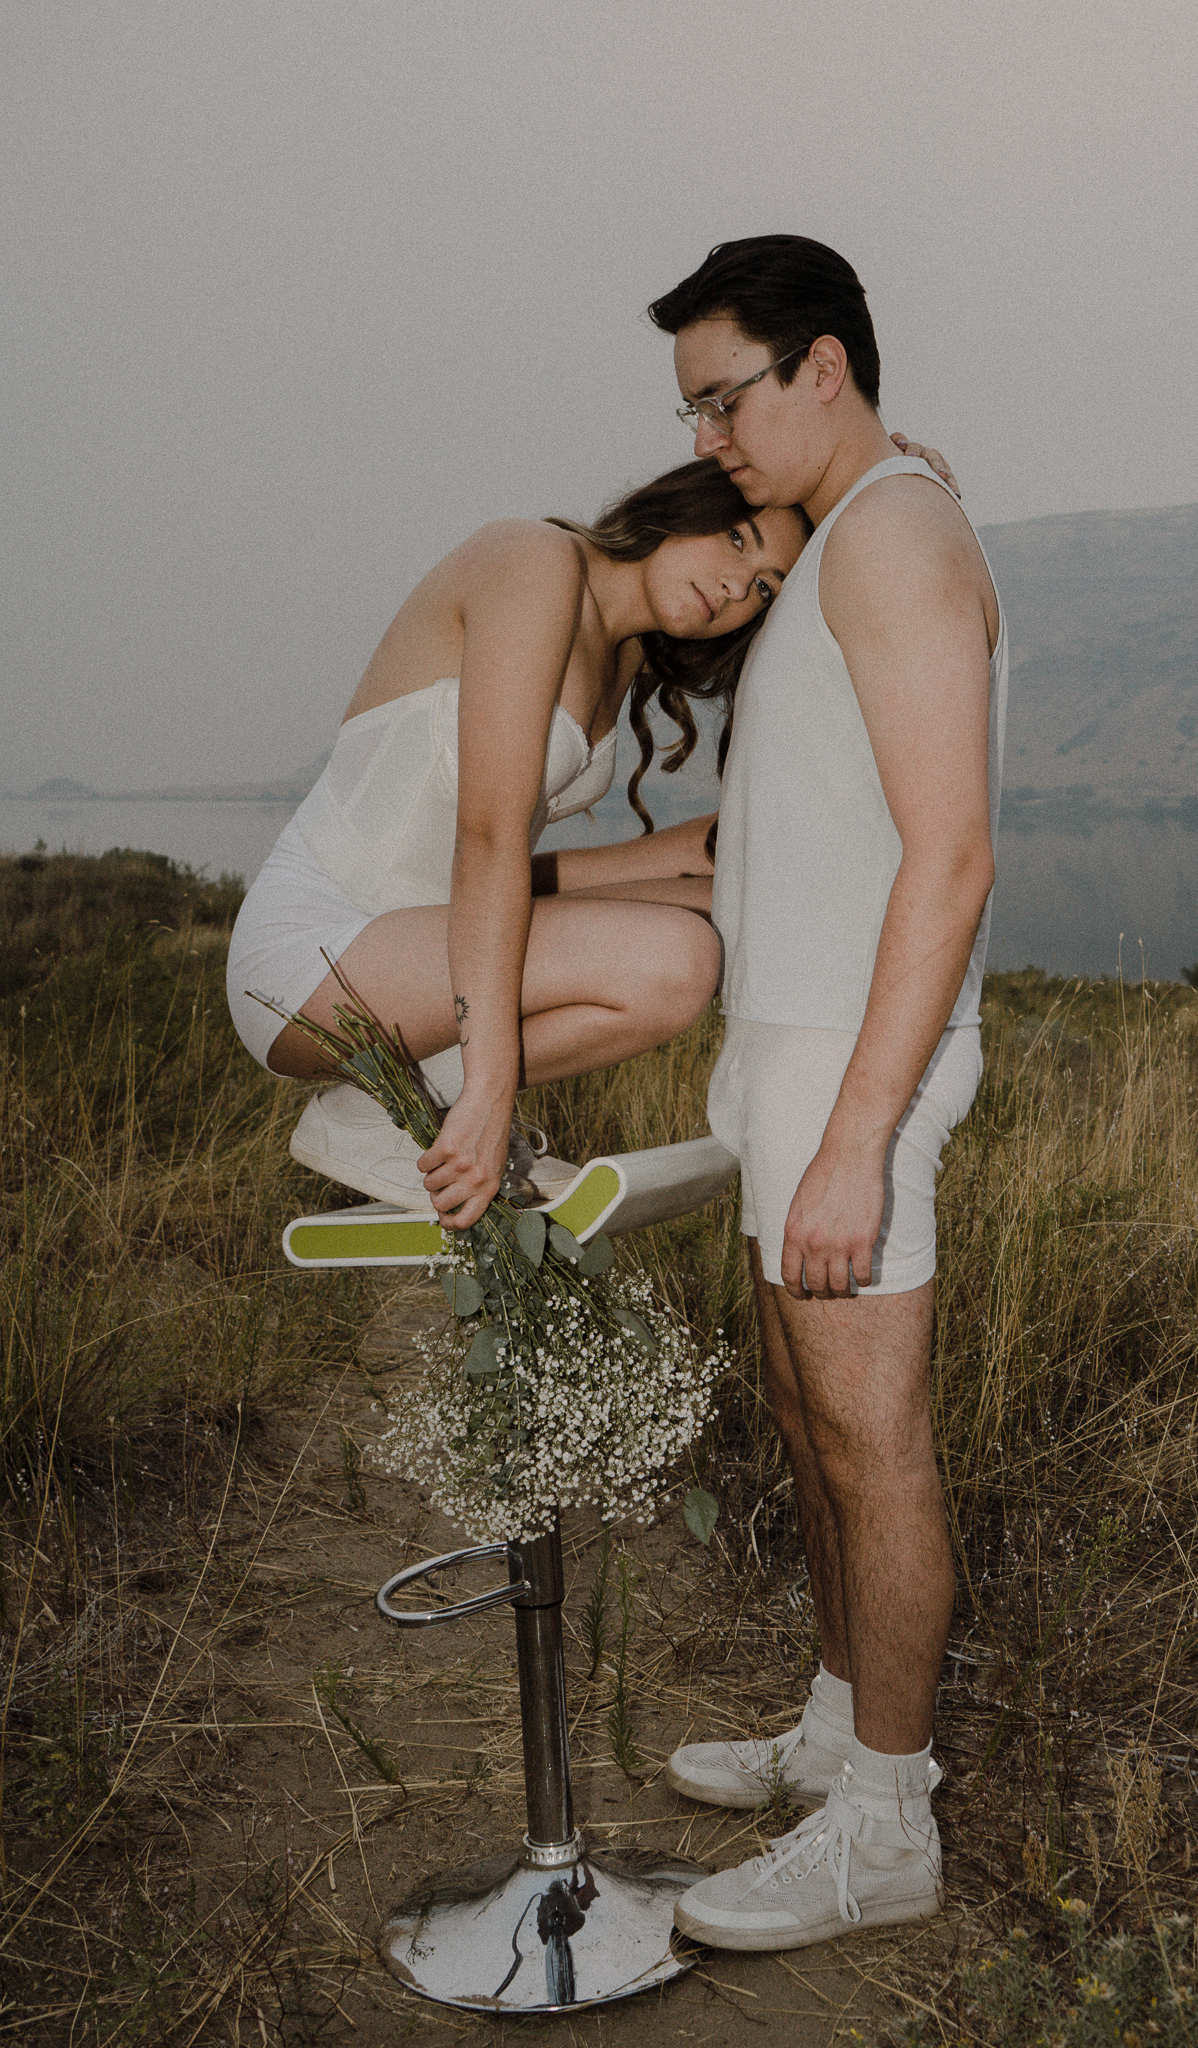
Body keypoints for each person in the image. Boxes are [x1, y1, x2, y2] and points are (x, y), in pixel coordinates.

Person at [648, 237, 1007, 1952]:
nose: (708, 431)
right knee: (807, 1422)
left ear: (823, 368)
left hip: (858, 1068)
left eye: (727, 393)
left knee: (874, 1441)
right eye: (693, 403)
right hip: (786, 1054)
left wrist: (860, 1134)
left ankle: (886, 1823)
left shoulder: (904, 542)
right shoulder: (861, 523)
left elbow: (952, 855)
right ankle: (830, 1722)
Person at [226, 460, 809, 1225]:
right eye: (738, 539)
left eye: (765, 586)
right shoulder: (534, 561)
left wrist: (876, 477)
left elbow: (521, 865)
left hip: (426, 945)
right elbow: (489, 837)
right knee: (678, 960)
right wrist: (490, 1096)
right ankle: (407, 1110)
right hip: (315, 955)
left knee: (727, 908)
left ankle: (395, 1105)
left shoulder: (626, 654)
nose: (738, 587)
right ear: (682, 503)